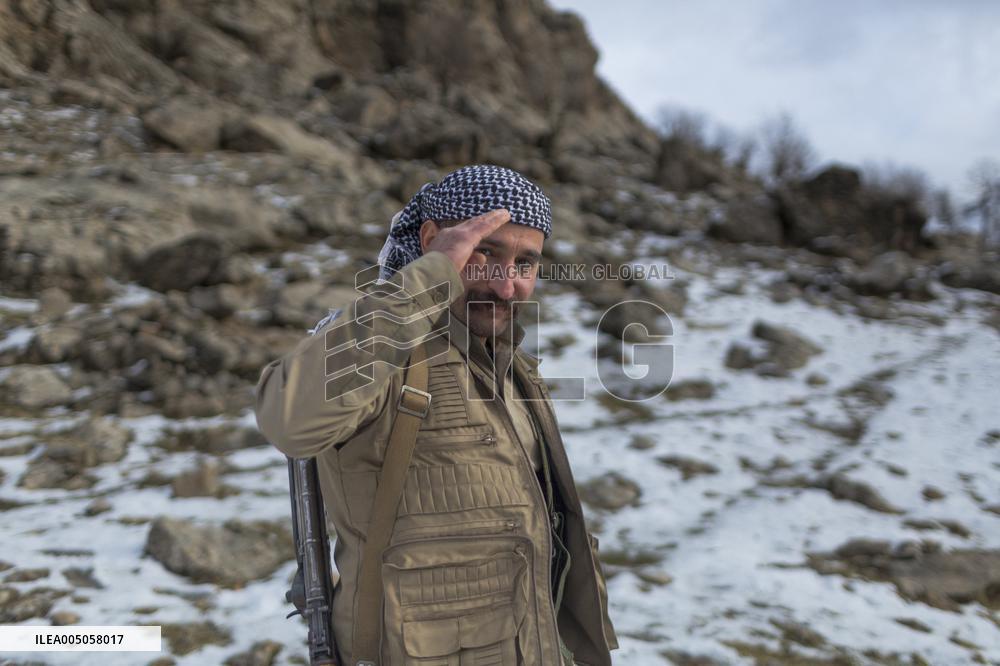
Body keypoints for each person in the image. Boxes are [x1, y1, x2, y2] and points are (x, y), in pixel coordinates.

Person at [255, 164, 618, 665]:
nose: (506, 286)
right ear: (431, 240)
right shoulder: (383, 350)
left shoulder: (514, 369)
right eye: (485, 253)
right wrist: (430, 278)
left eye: (524, 264)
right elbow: (288, 419)